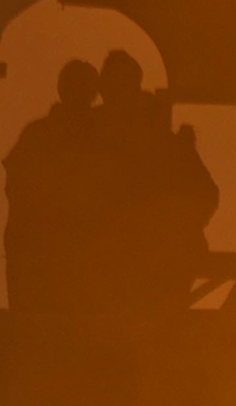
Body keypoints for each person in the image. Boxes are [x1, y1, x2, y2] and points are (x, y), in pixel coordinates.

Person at [92, 49, 222, 311]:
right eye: (108, 86)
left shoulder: (162, 141)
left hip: (157, 262)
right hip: (111, 265)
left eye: (117, 85)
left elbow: (206, 194)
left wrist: (170, 224)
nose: (110, 93)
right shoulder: (92, 136)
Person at [2, 59, 103, 315]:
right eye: (76, 86)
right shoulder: (98, 138)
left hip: (71, 254)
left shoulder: (38, 134)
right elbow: (17, 189)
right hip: (43, 251)